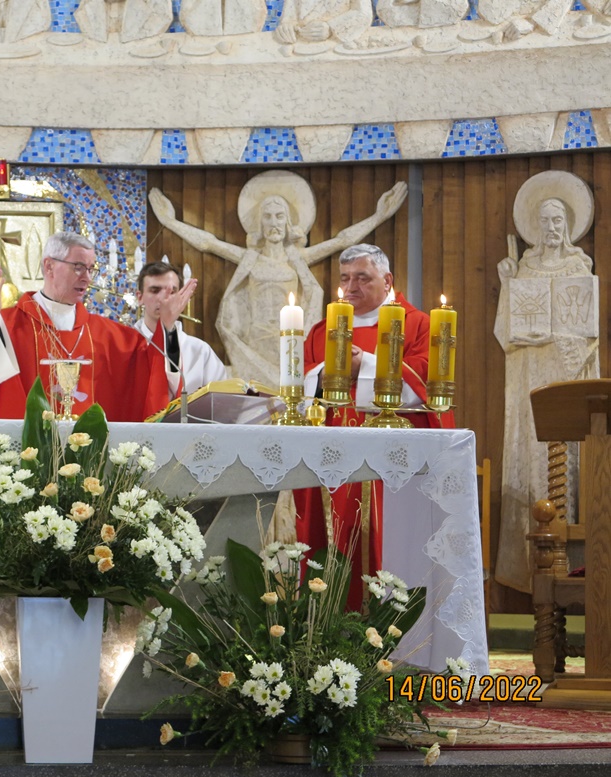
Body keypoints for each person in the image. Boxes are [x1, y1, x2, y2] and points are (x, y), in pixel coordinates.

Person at [296, 244, 453, 609]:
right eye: (345, 278)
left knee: (392, 551)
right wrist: (328, 371)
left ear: (387, 280)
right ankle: (327, 624)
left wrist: (363, 365)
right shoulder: (323, 331)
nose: (351, 287)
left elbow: (424, 386)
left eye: (363, 278)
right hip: (333, 467)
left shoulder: (418, 325)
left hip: (392, 471)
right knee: (332, 545)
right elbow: (302, 384)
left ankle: (396, 628)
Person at [149, 172, 407, 388]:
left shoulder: (298, 258)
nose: (274, 222)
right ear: (259, 223)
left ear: (288, 222)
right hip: (254, 344)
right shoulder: (250, 258)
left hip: (291, 343)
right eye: (268, 216)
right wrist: (169, 222)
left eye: (279, 216)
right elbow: (209, 243)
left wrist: (379, 216)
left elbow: (341, 241)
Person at [0, 231, 194, 421]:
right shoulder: (7, 326)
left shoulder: (111, 337)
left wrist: (168, 328)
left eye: (91, 269)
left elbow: (155, 373)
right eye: (78, 267)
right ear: (49, 266)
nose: (87, 277)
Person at [494, 178, 599, 593]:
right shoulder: (525, 267)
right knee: (532, 452)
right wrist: (508, 283)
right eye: (545, 221)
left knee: (568, 461)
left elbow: (588, 334)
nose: (552, 228)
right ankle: (531, 566)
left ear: (568, 226)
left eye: (558, 221)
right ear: (535, 227)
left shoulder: (578, 267)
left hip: (566, 372)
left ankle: (572, 566)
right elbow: (509, 331)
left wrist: (559, 339)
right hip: (531, 371)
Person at [134, 260, 227, 391]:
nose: (164, 299)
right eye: (155, 291)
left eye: (172, 292)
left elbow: (221, 399)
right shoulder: (124, 347)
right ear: (140, 297)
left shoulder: (200, 351)